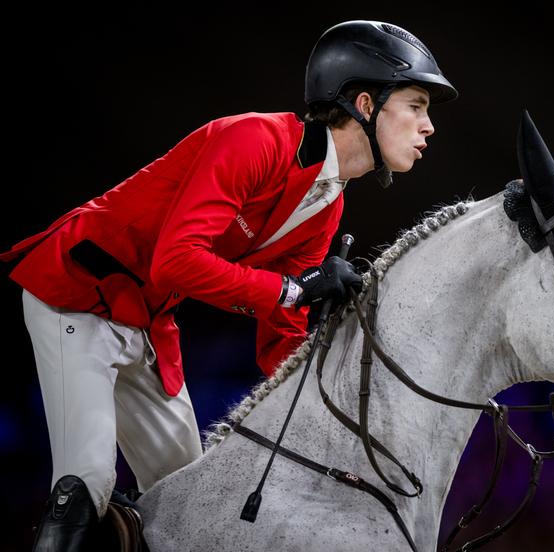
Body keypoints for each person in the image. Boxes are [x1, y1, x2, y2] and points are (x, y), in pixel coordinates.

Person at [1, 19, 457, 551]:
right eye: (417, 106)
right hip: (75, 289)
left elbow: (283, 331)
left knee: (192, 506)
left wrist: (329, 412)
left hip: (145, 322)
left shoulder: (327, 203)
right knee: (85, 485)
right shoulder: (254, 138)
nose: (430, 128)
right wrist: (293, 288)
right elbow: (177, 262)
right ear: (363, 103)